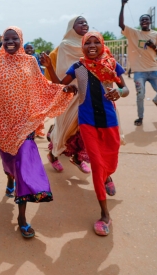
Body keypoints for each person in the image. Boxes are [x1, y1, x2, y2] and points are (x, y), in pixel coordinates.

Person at [0, 26, 77, 238]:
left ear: (20, 39)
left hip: (25, 124)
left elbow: (42, 86)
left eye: (14, 38)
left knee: (25, 167)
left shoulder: (30, 62)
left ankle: (22, 218)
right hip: (4, 125)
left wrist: (62, 90)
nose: (10, 42)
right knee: (9, 163)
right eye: (6, 39)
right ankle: (10, 178)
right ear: (2, 41)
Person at [41, 31, 129, 236]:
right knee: (98, 166)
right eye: (87, 42)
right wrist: (50, 67)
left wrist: (119, 92)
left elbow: (125, 89)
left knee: (111, 162)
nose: (91, 45)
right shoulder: (78, 67)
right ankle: (105, 215)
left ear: (102, 44)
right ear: (82, 46)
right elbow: (62, 84)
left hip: (110, 122)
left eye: (95, 42)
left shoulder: (112, 64)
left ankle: (108, 177)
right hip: (88, 122)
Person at [44, 16, 91, 174]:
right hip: (70, 92)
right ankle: (53, 154)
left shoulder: (91, 43)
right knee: (65, 129)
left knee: (84, 129)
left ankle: (78, 157)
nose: (84, 24)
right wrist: (65, 89)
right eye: (80, 22)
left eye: (85, 22)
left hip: (89, 93)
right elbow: (63, 71)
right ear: (72, 27)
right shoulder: (65, 46)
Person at [119, 0, 157, 126]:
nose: (144, 22)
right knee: (140, 95)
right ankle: (140, 118)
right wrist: (122, 6)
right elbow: (121, 24)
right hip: (139, 72)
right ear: (140, 23)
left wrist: (153, 47)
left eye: (146, 20)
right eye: (142, 20)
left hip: (153, 69)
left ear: (150, 22)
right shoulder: (134, 33)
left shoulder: (155, 35)